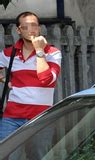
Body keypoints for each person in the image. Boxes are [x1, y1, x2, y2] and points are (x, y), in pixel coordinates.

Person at [0, 11, 61, 140]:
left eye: (34, 25)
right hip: (12, 118)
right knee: (7, 159)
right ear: (18, 30)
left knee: (38, 159)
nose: (31, 30)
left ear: (39, 28)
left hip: (41, 117)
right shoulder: (9, 53)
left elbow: (46, 80)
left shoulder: (52, 53)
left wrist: (39, 50)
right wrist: (4, 80)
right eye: (25, 27)